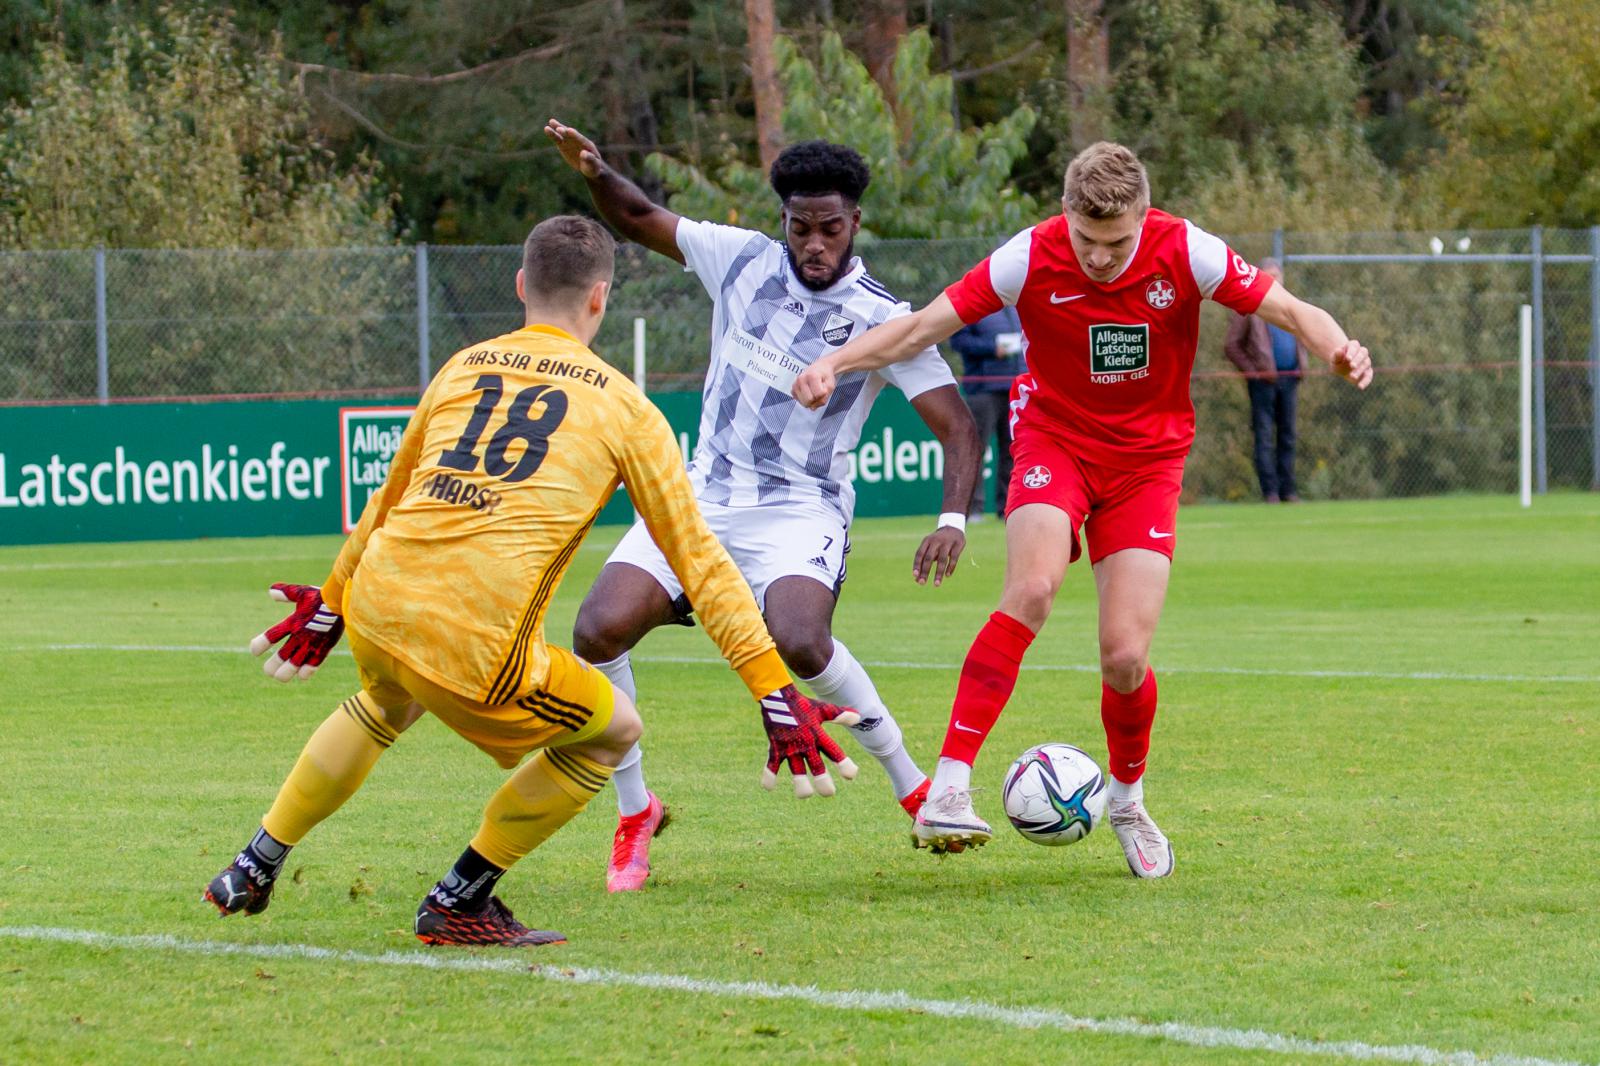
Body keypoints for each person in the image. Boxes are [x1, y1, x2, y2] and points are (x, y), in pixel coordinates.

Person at [202, 215, 862, 946]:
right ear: (600, 300)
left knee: (386, 701)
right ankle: (460, 899)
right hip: (474, 640)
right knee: (612, 731)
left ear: (520, 286)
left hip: (380, 606)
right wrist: (773, 689)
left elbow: (386, 501)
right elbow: (699, 562)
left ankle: (254, 863)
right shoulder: (626, 409)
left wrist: (330, 603)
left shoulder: (463, 365)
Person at [794, 142, 1372, 876]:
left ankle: (1127, 801)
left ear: (1143, 218)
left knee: (1124, 655)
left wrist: (1338, 346)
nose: (1101, 258)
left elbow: (1286, 306)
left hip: (1147, 465)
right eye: (1088, 241)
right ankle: (948, 786)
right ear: (1065, 215)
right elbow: (919, 328)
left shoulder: (1185, 250)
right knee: (1032, 587)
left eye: (1118, 242)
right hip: (1054, 441)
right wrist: (833, 363)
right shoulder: (1028, 257)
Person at [544, 119, 981, 892]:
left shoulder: (887, 318)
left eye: (830, 229)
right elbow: (641, 218)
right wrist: (596, 172)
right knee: (596, 628)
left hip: (800, 509)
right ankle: (636, 810)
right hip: (700, 497)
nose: (814, 244)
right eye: (799, 228)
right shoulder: (739, 259)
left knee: (800, 640)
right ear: (781, 220)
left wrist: (952, 519)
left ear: (855, 225)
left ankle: (914, 785)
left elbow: (957, 426)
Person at [1224, 258, 1307, 502]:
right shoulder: (1248, 306)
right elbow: (1232, 346)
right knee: (1264, 436)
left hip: (1290, 379)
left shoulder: (1292, 305)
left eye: (1276, 275)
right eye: (1267, 275)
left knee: (1288, 435)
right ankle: (1270, 493)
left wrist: (1301, 363)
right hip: (1263, 383)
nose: (1273, 280)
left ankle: (1289, 492)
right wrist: (1255, 372)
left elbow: (1304, 332)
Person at [949, 306, 1025, 521]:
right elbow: (958, 342)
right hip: (983, 391)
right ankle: (973, 509)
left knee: (1012, 451)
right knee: (975, 450)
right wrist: (993, 348)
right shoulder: (974, 306)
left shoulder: (1016, 306)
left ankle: (1008, 508)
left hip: (1014, 389)